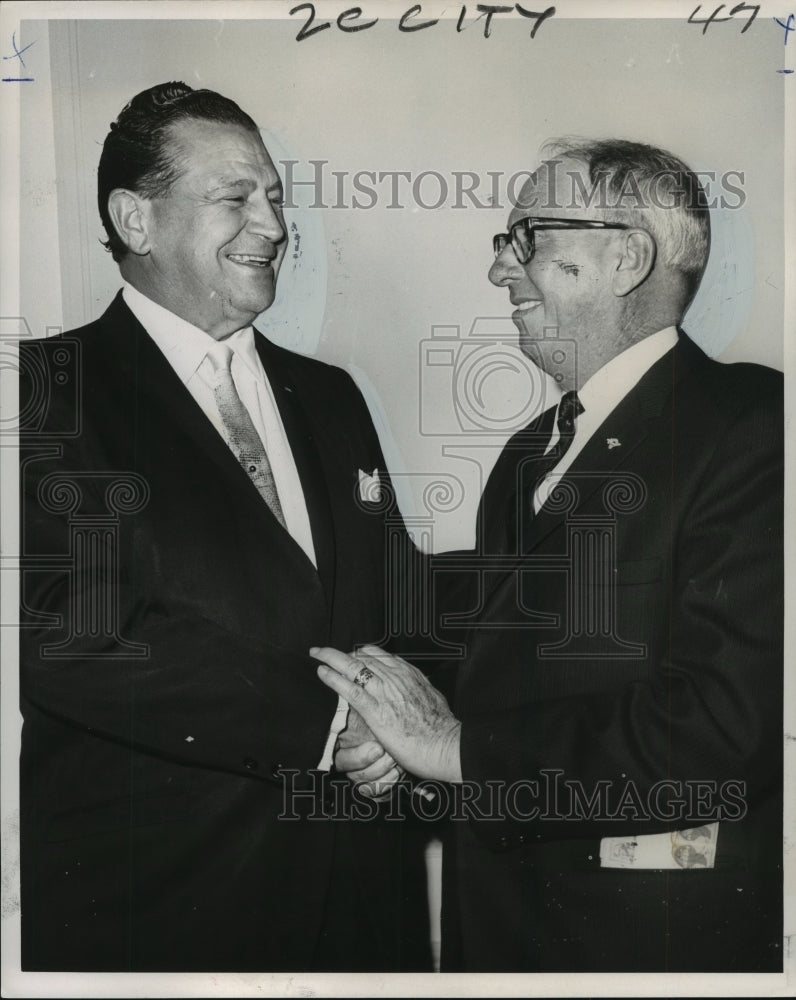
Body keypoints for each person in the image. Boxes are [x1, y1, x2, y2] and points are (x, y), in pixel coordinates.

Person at [314, 138, 783, 972]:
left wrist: (454, 749)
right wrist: (393, 737)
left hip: (640, 948)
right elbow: (504, 676)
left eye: (527, 237)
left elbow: (718, 722)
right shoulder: (527, 455)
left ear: (629, 257)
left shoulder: (751, 424)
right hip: (497, 935)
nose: (501, 271)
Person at [18, 82, 429, 972]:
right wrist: (329, 725)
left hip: (361, 904)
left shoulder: (331, 396)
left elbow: (396, 596)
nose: (273, 225)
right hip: (162, 910)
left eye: (275, 197)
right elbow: (73, 633)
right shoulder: (47, 391)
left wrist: (411, 724)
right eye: (236, 198)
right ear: (136, 219)